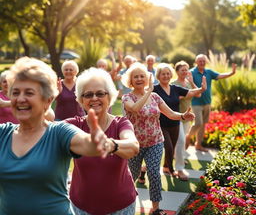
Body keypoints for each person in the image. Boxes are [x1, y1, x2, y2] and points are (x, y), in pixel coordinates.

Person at [0, 57, 118, 215]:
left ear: (47, 100)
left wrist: (98, 141)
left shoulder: (59, 132)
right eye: (15, 93)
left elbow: (87, 144)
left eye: (29, 93)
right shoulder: (3, 133)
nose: (20, 99)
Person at [121, 62, 194, 215]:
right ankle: (123, 203)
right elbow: (135, 108)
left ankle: (155, 209)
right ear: (131, 80)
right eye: (136, 77)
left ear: (146, 78)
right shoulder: (127, 97)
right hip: (135, 144)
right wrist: (148, 92)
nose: (139, 79)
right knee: (131, 176)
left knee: (154, 173)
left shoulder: (155, 96)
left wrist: (183, 116)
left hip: (155, 141)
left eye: (142, 76)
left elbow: (170, 114)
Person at [65, 67, 139, 215]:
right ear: (81, 99)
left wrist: (110, 144)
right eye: (88, 94)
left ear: (109, 97)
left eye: (100, 93)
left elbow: (133, 146)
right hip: (81, 207)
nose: (94, 98)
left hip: (121, 207)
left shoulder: (121, 123)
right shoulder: (73, 125)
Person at [153, 63, 206, 181]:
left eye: (167, 73)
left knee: (175, 145)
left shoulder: (175, 88)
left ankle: (166, 166)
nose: (166, 76)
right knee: (171, 146)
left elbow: (191, 93)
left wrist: (202, 89)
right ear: (158, 76)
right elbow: (143, 94)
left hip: (176, 123)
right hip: (161, 124)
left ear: (170, 75)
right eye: (163, 74)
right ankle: (176, 170)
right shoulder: (154, 89)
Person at [186, 54, 236, 152]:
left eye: (203, 61)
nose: (202, 62)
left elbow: (220, 75)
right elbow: (187, 86)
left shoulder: (208, 72)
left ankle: (198, 145)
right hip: (196, 102)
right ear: (196, 62)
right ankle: (188, 137)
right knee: (198, 122)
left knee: (203, 124)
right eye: (200, 61)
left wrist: (232, 73)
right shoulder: (191, 72)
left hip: (207, 102)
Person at [172, 61, 205, 180]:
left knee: (181, 139)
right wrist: (186, 94)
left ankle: (177, 156)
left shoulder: (188, 83)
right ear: (177, 72)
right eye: (182, 70)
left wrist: (191, 82)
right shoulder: (173, 84)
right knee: (180, 140)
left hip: (187, 117)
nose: (185, 72)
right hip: (177, 116)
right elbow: (174, 98)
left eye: (186, 70)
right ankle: (179, 168)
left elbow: (198, 95)